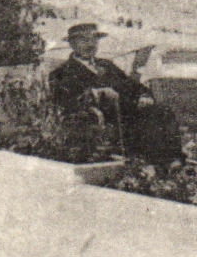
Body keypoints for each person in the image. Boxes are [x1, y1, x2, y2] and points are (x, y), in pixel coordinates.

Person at [49, 23, 183, 168]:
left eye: (94, 40)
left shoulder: (106, 65)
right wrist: (97, 93)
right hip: (104, 120)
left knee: (162, 111)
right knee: (149, 121)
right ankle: (157, 164)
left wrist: (144, 95)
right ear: (72, 44)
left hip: (129, 113)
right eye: (84, 40)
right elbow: (66, 101)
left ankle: (173, 161)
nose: (90, 44)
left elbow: (133, 85)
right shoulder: (62, 72)